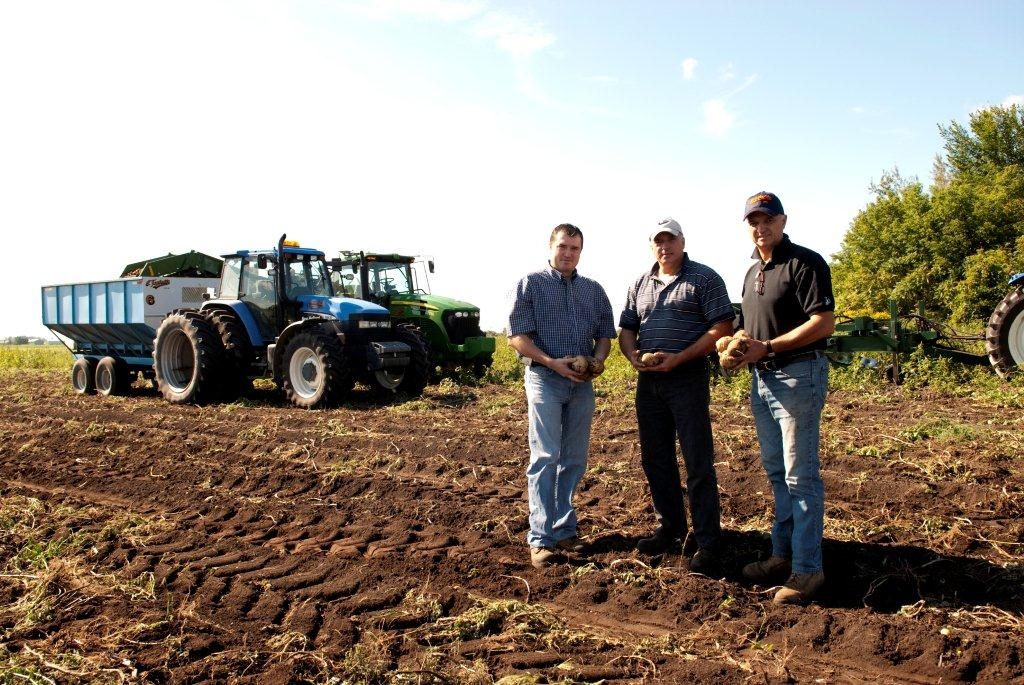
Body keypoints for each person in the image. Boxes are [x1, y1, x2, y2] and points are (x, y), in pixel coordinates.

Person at [731, 191, 836, 605]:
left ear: (783, 220)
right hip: (762, 380)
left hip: (798, 375)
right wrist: (737, 345)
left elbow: (823, 322)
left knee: (800, 476)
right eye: (754, 221)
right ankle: (782, 555)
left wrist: (769, 348)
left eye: (768, 219)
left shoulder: (805, 262)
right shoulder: (753, 270)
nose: (761, 227)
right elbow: (745, 323)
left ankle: (808, 571)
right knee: (777, 473)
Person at [618, 218, 734, 574]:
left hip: (686, 378)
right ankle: (671, 528)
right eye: (658, 241)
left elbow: (722, 328)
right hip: (649, 383)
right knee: (656, 458)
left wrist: (680, 358)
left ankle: (708, 541)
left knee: (697, 460)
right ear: (651, 245)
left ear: (682, 242)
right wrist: (633, 356)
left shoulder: (704, 278)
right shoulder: (640, 282)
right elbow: (627, 329)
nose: (664, 247)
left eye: (670, 240)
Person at [508, 223, 616, 569]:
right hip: (545, 380)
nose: (568, 253)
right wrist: (551, 362)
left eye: (575, 248)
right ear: (551, 247)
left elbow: (604, 334)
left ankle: (564, 528)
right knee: (545, 456)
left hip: (581, 384)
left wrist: (597, 361)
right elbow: (517, 336)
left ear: (581, 252)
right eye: (563, 246)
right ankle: (540, 539)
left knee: (574, 459)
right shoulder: (531, 284)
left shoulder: (593, 290)